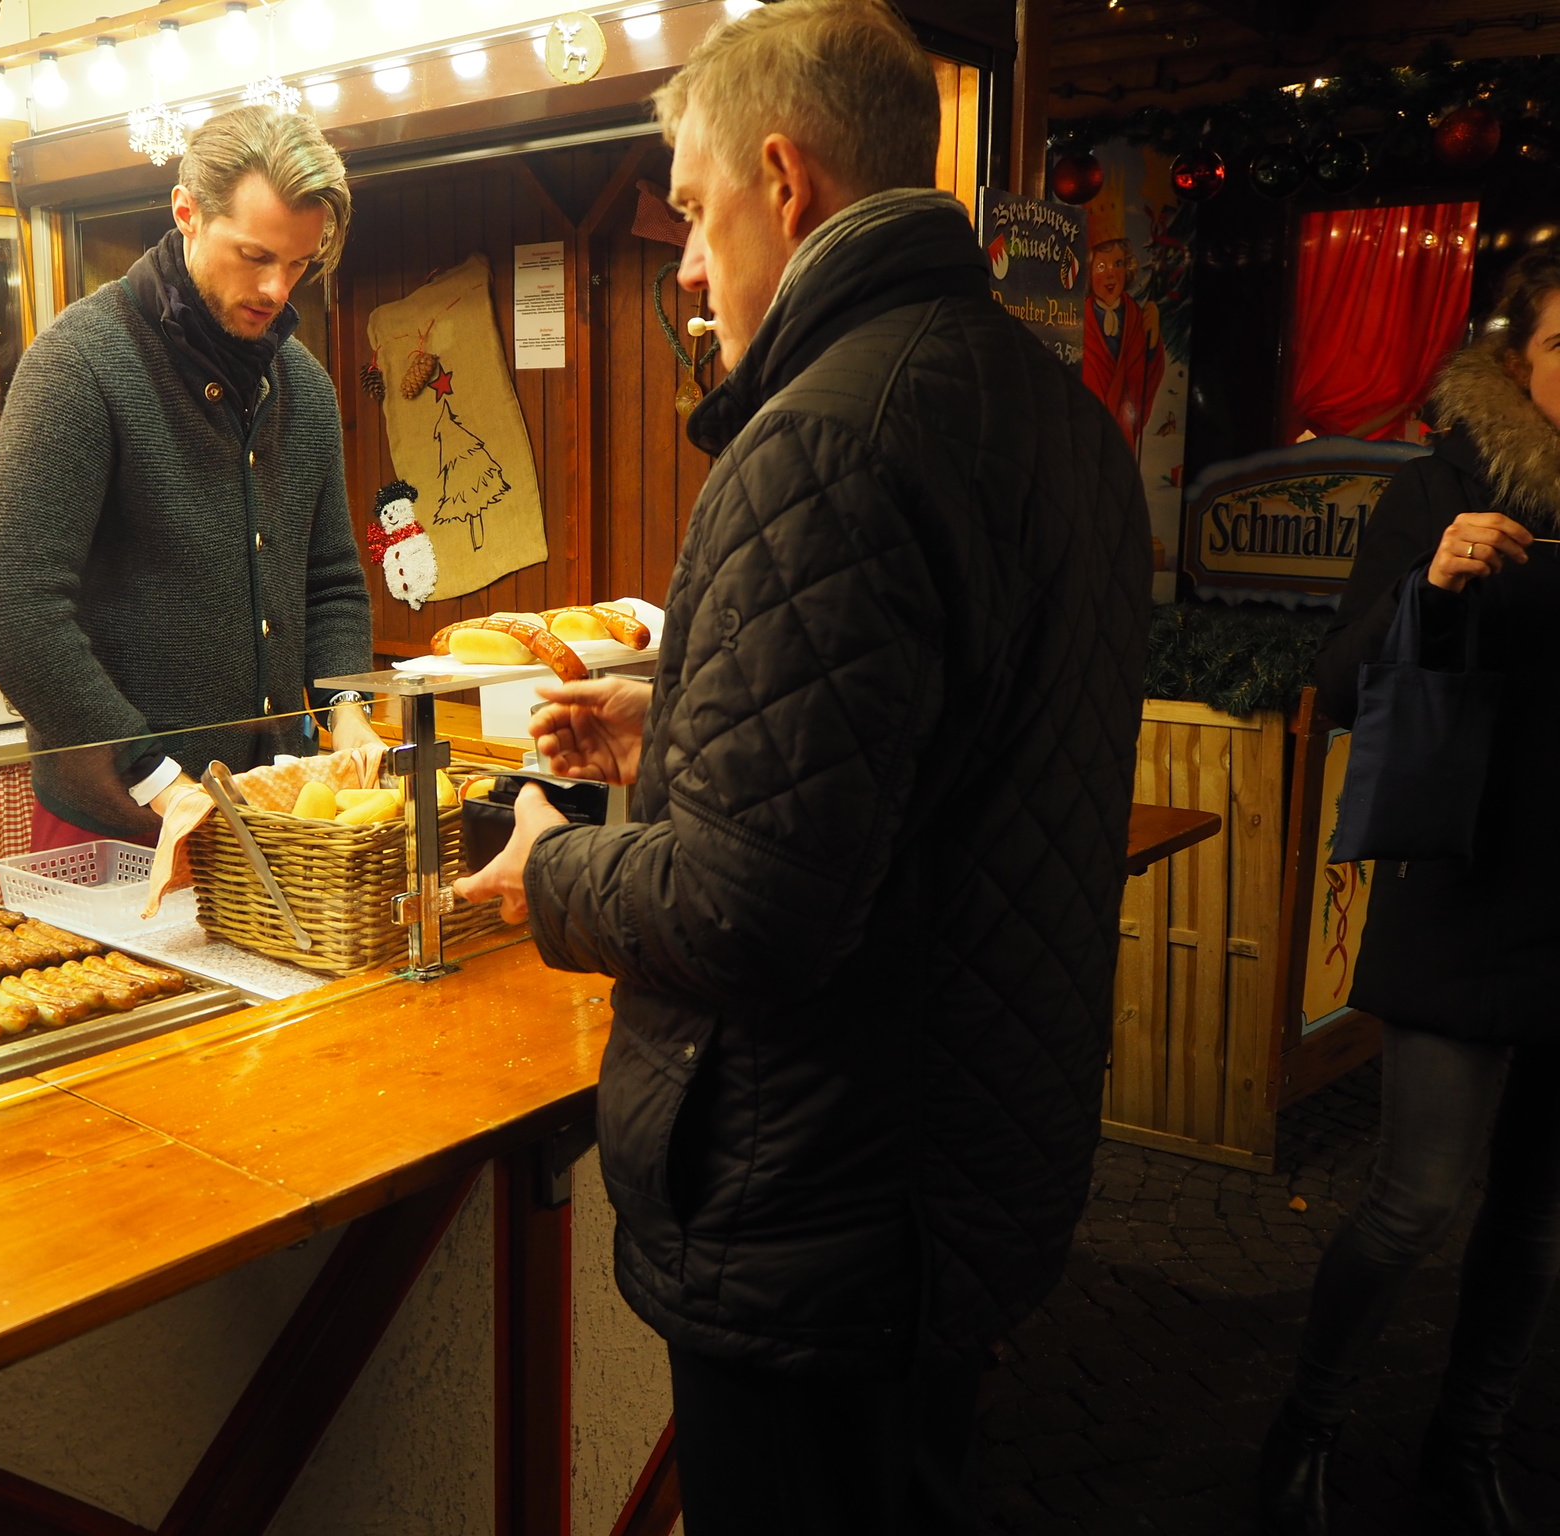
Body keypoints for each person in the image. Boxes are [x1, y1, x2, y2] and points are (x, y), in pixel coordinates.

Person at [454, 2, 1150, 1528]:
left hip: (821, 1199)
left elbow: (748, 910)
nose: (688, 269)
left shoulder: (823, 438)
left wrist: (550, 868)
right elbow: (938, 751)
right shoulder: (1058, 418)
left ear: (787, 179)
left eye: (695, 215)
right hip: (964, 1162)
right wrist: (684, 717)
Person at [1258, 252, 1560, 1536]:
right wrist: (1430, 586)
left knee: (1537, 1219)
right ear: (1522, 359)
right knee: (1414, 1200)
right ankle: (1300, 1430)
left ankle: (1466, 1443)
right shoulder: (1445, 485)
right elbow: (1335, 675)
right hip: (1460, 890)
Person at [0, 106, 375, 851]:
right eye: (254, 255)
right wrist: (153, 774)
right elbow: (9, 611)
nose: (277, 289)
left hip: (273, 810)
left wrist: (346, 703)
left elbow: (332, 579)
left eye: (299, 265)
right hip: (117, 822)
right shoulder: (79, 363)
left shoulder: (304, 387)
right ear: (186, 212)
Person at [1084, 236, 1165, 454]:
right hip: (1085, 438)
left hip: (1120, 439)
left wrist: (1153, 339)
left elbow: (1145, 378)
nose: (1110, 273)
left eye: (1117, 264)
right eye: (1101, 266)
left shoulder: (1136, 318)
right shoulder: (1078, 319)